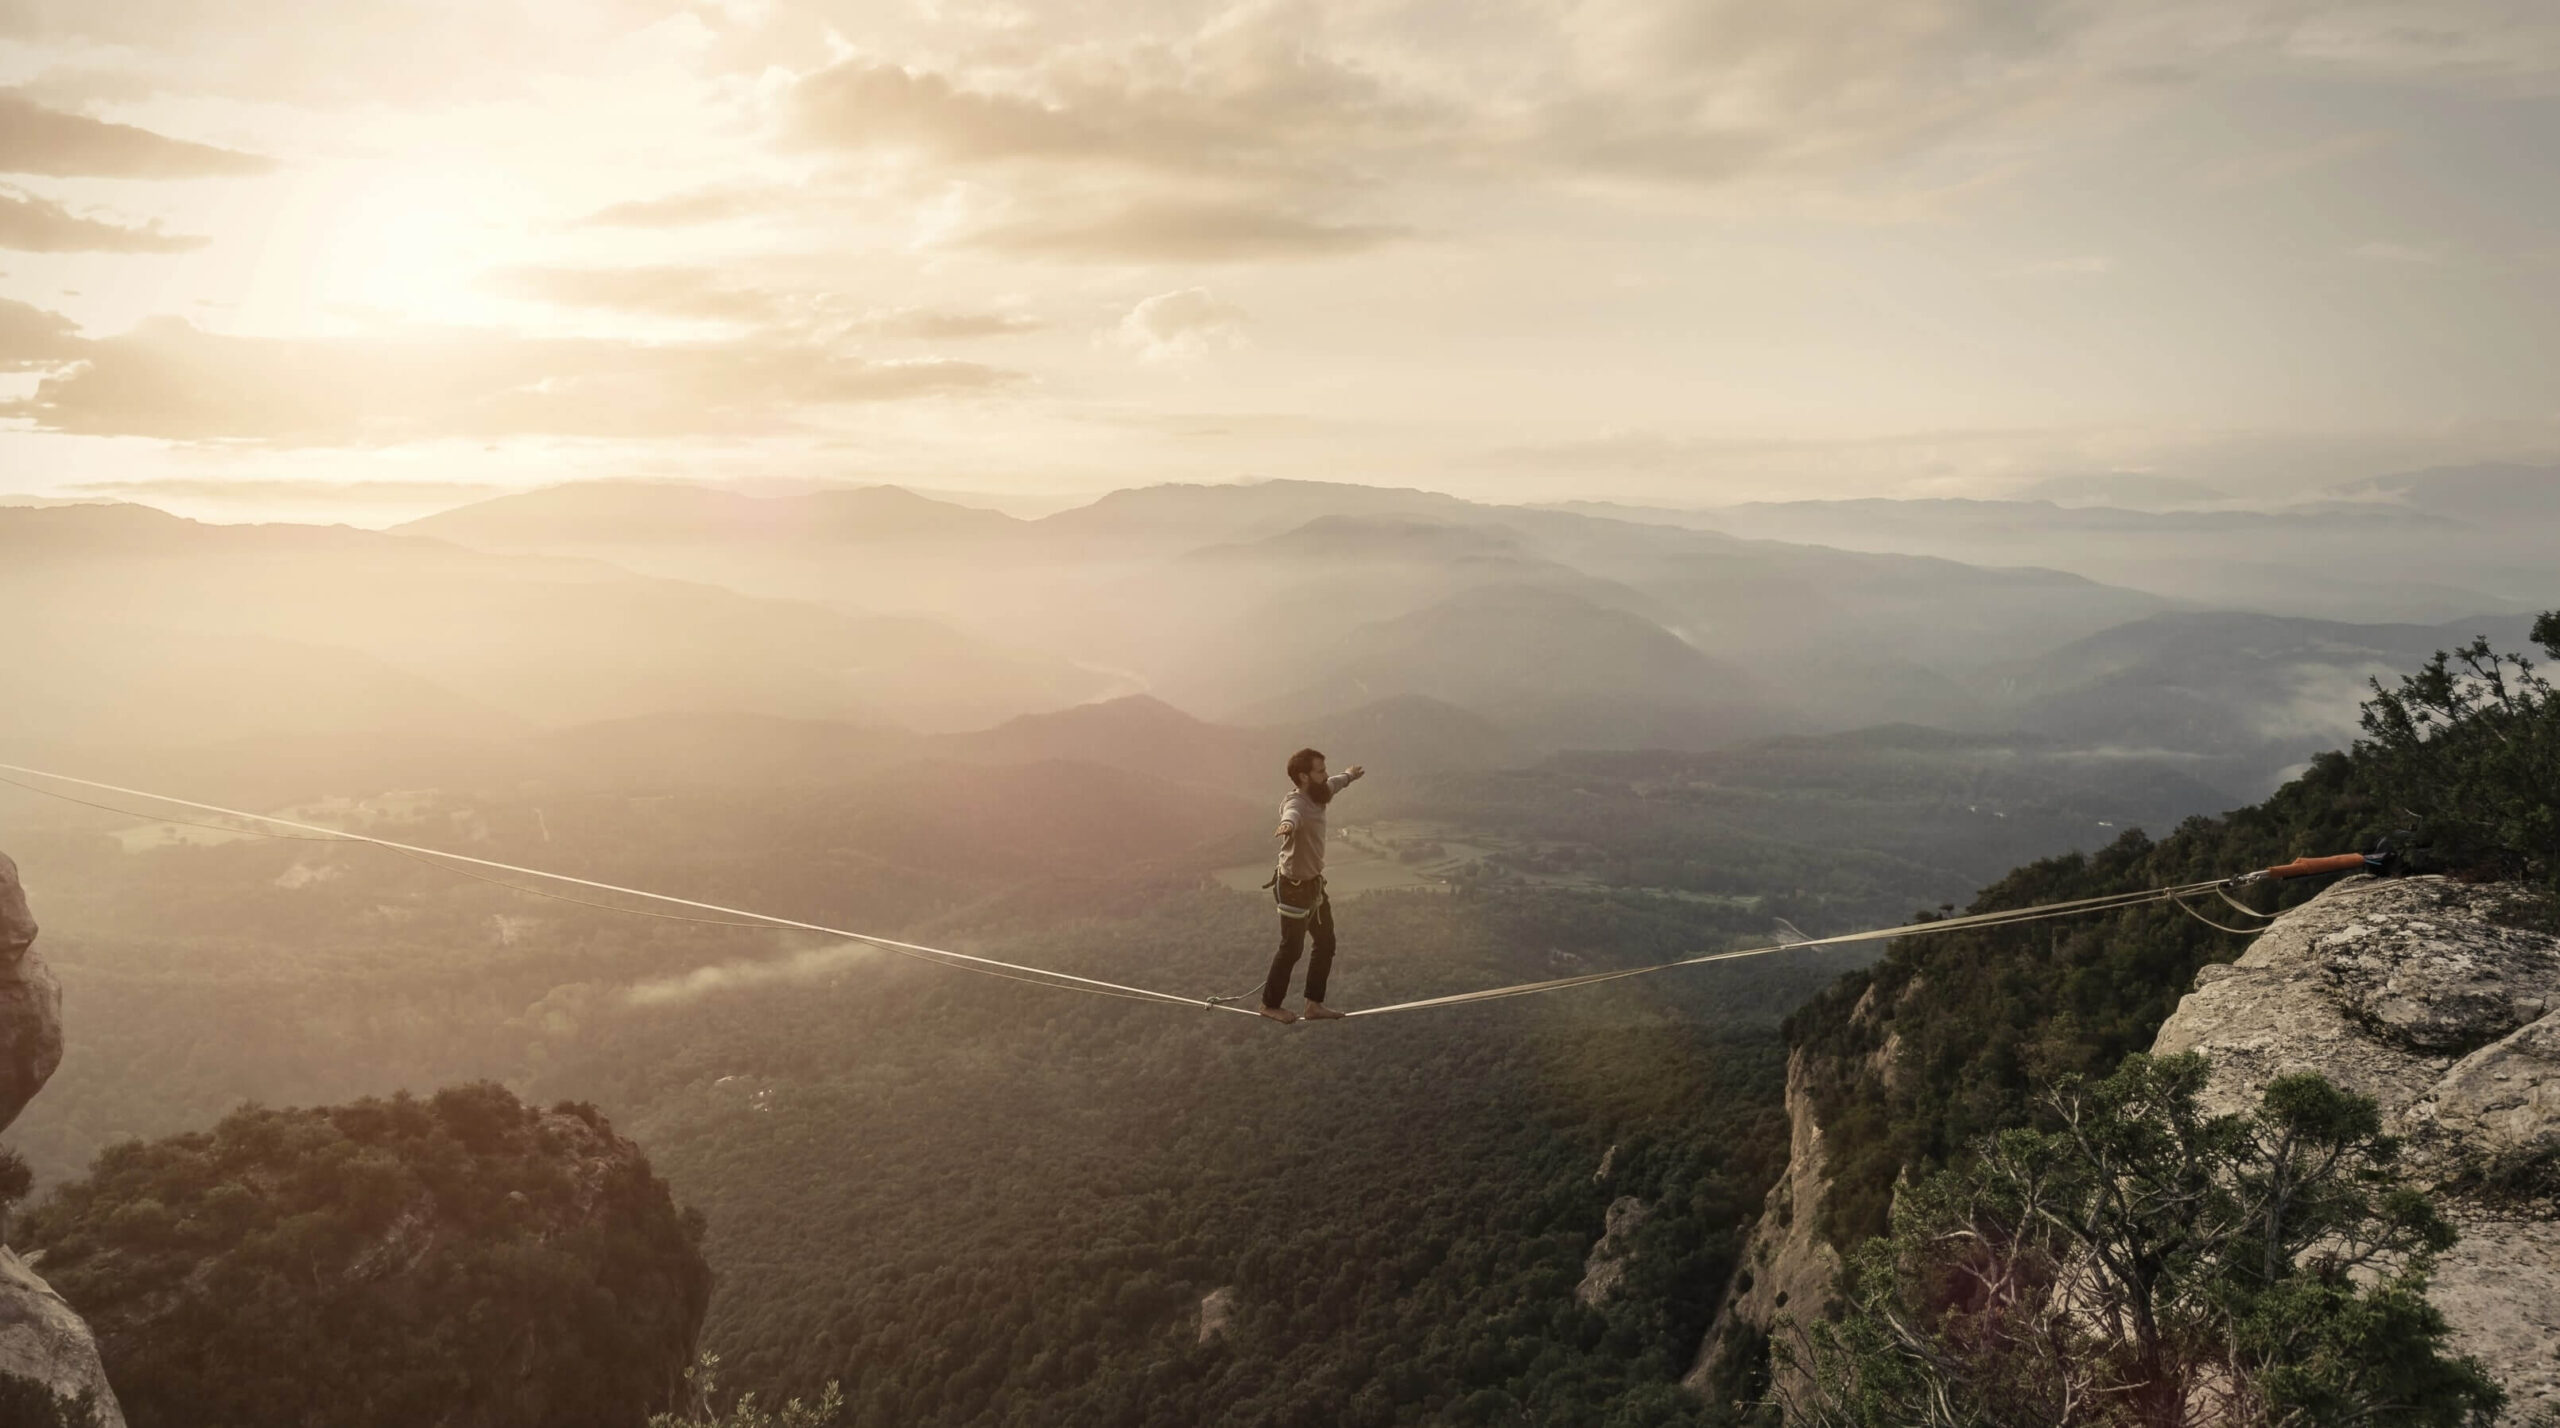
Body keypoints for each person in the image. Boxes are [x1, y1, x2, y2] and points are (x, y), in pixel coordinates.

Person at [1259, 747, 1363, 1024]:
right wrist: (1287, 826)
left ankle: (1313, 1004)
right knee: (1292, 949)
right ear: (1304, 777)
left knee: (1326, 942)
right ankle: (1270, 1004)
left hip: (1314, 886)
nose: (1325, 775)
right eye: (1320, 771)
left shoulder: (1319, 792)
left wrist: (1349, 775)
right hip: (1293, 887)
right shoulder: (1296, 804)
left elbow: (1335, 783)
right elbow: (1290, 815)